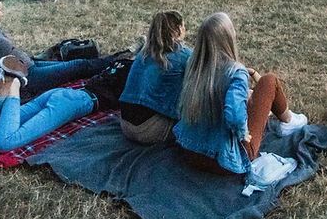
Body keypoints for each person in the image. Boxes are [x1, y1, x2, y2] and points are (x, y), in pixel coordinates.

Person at [174, 13, 307, 175]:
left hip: (191, 152)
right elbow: (234, 115)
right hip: (223, 161)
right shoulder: (235, 72)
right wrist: (243, 133)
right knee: (269, 81)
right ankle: (288, 122)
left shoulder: (194, 66)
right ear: (228, 38)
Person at [0, 0, 132, 118]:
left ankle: (120, 56)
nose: (1, 13)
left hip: (29, 65)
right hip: (28, 77)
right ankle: (123, 58)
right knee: (78, 66)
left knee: (74, 64)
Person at [119, 11, 192, 144]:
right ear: (179, 28)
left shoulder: (143, 53)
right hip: (150, 129)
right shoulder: (184, 54)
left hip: (124, 123)